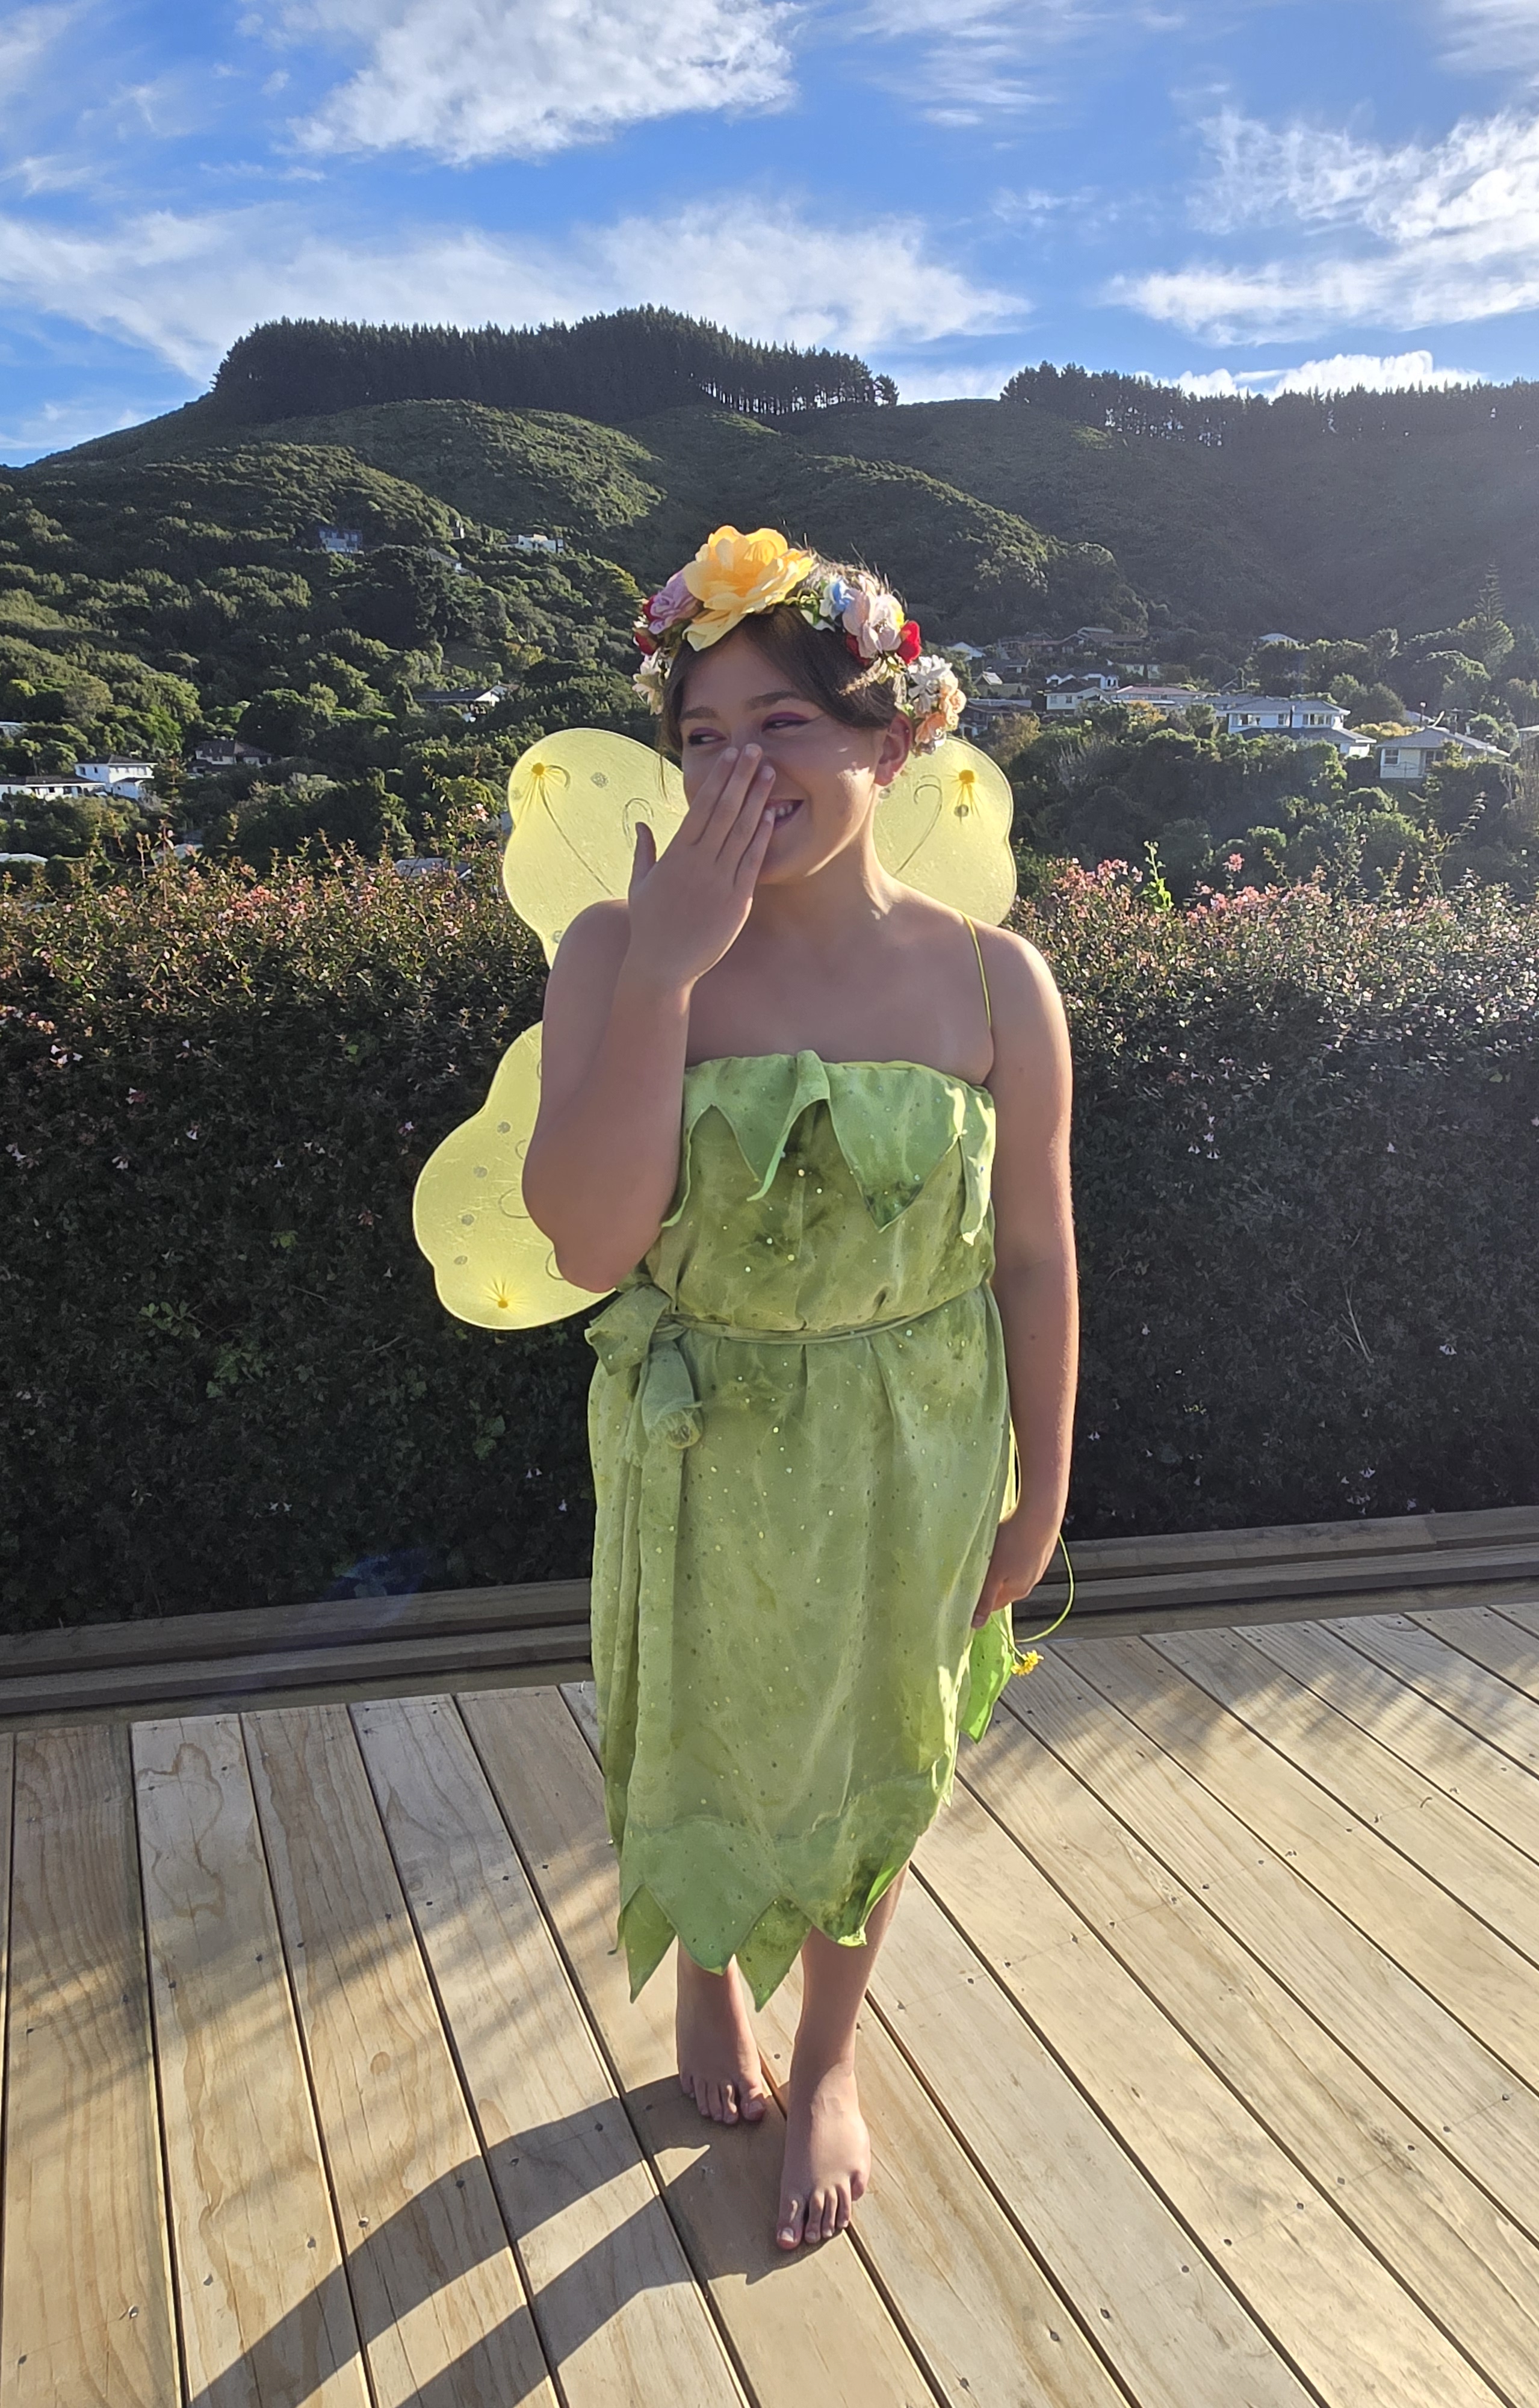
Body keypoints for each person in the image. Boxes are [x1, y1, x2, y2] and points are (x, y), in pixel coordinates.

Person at [521, 526, 1077, 2252]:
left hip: (919, 1443)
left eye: (786, 727)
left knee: (874, 1744)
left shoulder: (994, 980)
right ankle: (710, 1975)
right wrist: (668, 971)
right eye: (703, 736)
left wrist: (1040, 1492)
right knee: (702, 1722)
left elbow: (1036, 1257)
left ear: (895, 740)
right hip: (701, 1437)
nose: (739, 771)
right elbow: (589, 1244)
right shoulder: (615, 949)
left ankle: (832, 2048)